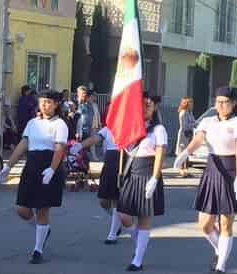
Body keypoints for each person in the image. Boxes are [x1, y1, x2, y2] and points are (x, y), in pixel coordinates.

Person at [174, 87, 237, 274]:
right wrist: (185, 153)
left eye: (225, 102)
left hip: (232, 170)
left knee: (225, 223)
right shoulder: (208, 121)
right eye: (218, 101)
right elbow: (198, 140)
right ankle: (219, 249)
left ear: (233, 103)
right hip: (212, 170)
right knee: (205, 223)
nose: (221, 105)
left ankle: (221, 265)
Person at [0, 89, 68, 264]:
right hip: (32, 166)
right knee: (22, 209)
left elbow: (59, 148)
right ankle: (42, 229)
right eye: (42, 101)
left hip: (49, 165)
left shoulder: (60, 124)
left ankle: (37, 249)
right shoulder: (32, 123)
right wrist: (8, 166)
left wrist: (52, 169)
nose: (45, 105)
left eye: (49, 102)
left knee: (42, 209)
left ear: (56, 104)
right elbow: (23, 145)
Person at [117, 94, 167, 271]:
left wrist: (155, 178)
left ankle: (137, 259)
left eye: (148, 105)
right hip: (132, 172)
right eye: (142, 105)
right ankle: (139, 243)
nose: (145, 108)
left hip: (148, 173)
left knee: (144, 218)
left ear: (154, 108)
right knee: (123, 215)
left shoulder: (158, 129)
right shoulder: (132, 127)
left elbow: (160, 154)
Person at [70, 126, 122, 244]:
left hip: (123, 158)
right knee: (103, 201)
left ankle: (113, 233)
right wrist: (80, 145)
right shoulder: (109, 127)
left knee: (116, 199)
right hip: (109, 161)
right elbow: (95, 138)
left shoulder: (130, 124)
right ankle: (117, 220)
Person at [175, 96, 195, 178]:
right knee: (183, 152)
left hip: (189, 134)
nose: (192, 104)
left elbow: (192, 121)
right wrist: (195, 124)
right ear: (186, 103)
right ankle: (182, 170)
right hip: (184, 135)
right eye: (190, 102)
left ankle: (185, 170)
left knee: (187, 153)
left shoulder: (189, 112)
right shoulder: (183, 113)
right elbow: (184, 126)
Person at [88, 92, 102, 161]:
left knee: (93, 141)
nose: (95, 97)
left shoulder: (95, 105)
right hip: (88, 126)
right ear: (91, 96)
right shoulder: (86, 104)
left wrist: (99, 123)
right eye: (94, 96)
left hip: (94, 125)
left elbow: (97, 114)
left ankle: (93, 156)